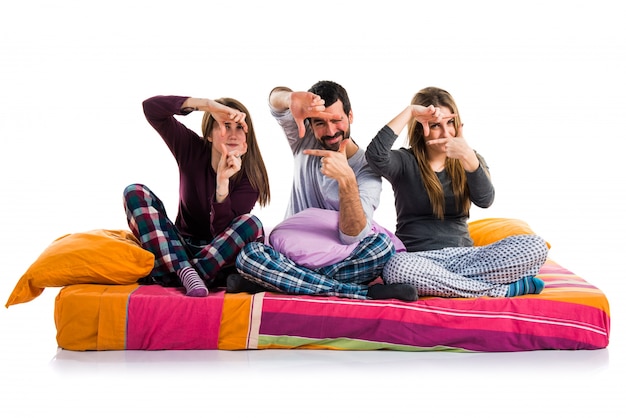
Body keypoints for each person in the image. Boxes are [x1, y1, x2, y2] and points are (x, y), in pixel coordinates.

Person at [231, 81, 417, 301]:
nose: (330, 131)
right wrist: (290, 98)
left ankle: (280, 282)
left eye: (337, 120)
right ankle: (361, 292)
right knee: (249, 255)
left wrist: (347, 181)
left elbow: (352, 236)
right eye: (320, 122)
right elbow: (275, 101)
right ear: (309, 123)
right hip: (288, 255)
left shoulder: (367, 169)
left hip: (340, 261)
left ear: (350, 115)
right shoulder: (303, 138)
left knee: (382, 248)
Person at [365, 86, 549, 298]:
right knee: (396, 268)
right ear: (420, 128)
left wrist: (469, 160)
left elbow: (485, 200)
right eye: (435, 125)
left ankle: (452, 285)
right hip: (419, 259)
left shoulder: (469, 158)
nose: (445, 133)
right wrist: (410, 112)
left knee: (536, 246)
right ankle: (500, 290)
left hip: (466, 257)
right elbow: (375, 155)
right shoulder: (405, 161)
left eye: (450, 123)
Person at [123, 94, 270, 297]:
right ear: (209, 135)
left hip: (216, 256)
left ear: (247, 138)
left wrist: (222, 183)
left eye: (239, 128)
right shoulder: (191, 147)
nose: (233, 134)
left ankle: (178, 274)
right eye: (225, 125)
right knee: (135, 192)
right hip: (178, 246)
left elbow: (222, 232)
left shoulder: (252, 176)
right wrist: (207, 105)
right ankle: (186, 272)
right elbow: (151, 108)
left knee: (251, 223)